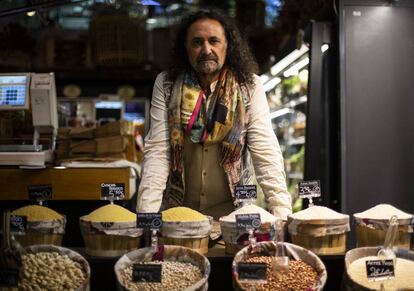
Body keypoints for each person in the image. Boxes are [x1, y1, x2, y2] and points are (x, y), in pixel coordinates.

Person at [136, 9, 292, 220]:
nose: (206, 49)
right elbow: (158, 149)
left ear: (228, 46)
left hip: (234, 218)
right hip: (179, 215)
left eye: (214, 41)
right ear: (186, 48)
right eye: (197, 42)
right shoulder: (166, 85)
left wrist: (282, 214)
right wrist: (147, 217)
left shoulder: (250, 86)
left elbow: (265, 149)